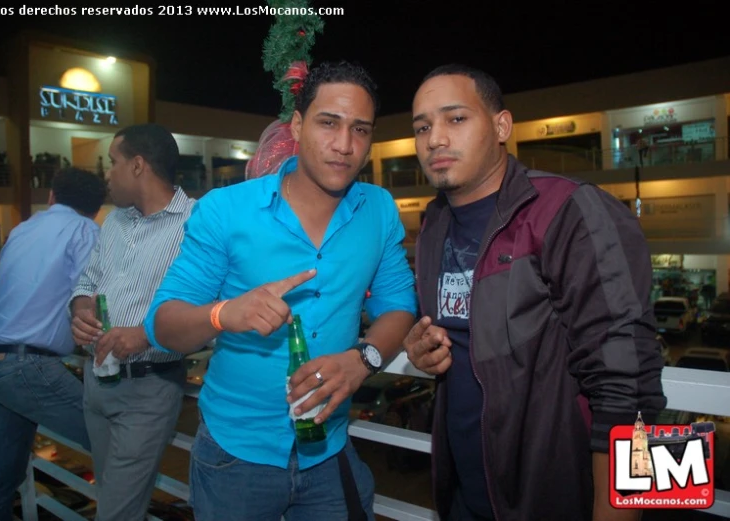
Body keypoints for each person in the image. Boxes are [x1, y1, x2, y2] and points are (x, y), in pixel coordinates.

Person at [144, 61, 417, 521]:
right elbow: (162, 324)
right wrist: (223, 314)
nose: (345, 145)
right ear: (297, 124)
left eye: (360, 130)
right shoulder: (226, 210)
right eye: (328, 123)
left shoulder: (379, 209)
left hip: (329, 453)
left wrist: (362, 360)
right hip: (236, 458)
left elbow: (399, 305)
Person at [402, 64, 667, 521]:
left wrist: (619, 514)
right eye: (422, 127)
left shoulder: (570, 209)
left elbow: (631, 382)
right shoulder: (433, 226)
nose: (435, 139)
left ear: (502, 126)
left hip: (560, 499)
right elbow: (464, 335)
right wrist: (418, 347)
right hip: (464, 496)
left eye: (456, 119)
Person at [69, 123, 195, 521]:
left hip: (148, 388)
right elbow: (86, 282)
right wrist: (82, 310)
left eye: (112, 162)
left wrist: (146, 335)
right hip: (96, 381)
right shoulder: (114, 222)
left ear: (138, 165)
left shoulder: (195, 223)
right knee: (113, 500)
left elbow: (206, 310)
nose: (107, 173)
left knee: (116, 513)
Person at [0, 167, 105, 521]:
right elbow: (92, 297)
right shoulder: (85, 230)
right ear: (95, 208)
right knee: (113, 441)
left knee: (0, 480)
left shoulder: (23, 228)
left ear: (51, 197)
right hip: (25, 368)